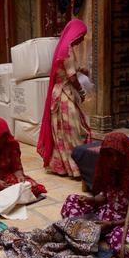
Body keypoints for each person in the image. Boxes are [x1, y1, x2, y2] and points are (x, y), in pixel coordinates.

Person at [37, 18, 92, 177]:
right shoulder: (66, 51)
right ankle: (74, 166)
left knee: (62, 131)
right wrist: (82, 92)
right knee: (72, 129)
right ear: (75, 34)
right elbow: (72, 77)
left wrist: (82, 69)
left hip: (58, 95)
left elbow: (68, 69)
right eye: (81, 35)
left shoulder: (63, 48)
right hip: (64, 96)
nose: (82, 39)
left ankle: (62, 165)